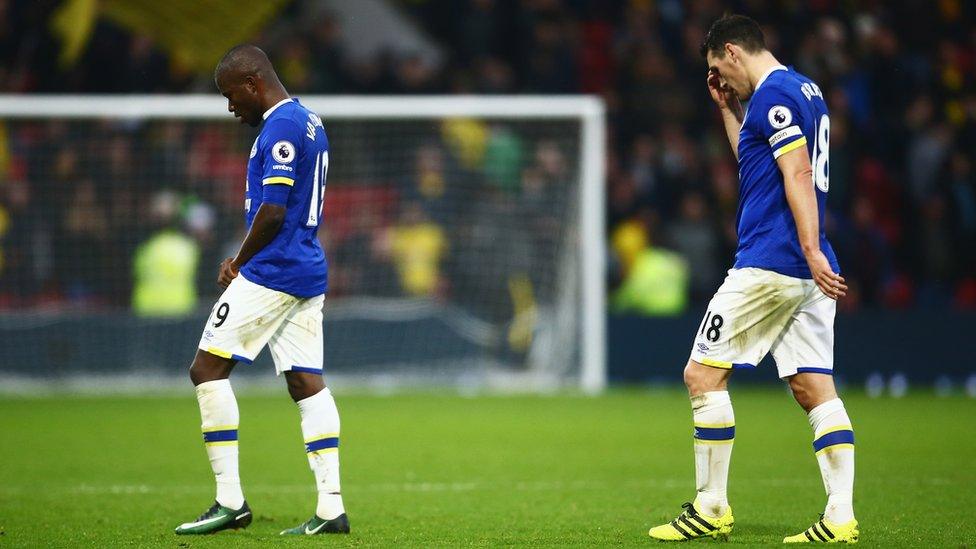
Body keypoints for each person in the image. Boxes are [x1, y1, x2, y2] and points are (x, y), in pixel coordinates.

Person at [647, 15, 857, 543]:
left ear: (734, 52)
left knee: (702, 376)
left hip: (772, 261)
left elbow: (798, 173)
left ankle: (711, 505)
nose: (721, 78)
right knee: (815, 388)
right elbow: (757, 160)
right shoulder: (803, 91)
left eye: (720, 68)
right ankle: (840, 518)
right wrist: (728, 110)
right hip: (804, 265)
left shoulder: (774, 94)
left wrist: (808, 249)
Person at [174, 45, 348, 536]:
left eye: (231, 96)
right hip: (307, 268)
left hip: (273, 270)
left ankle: (230, 500)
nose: (231, 108)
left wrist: (238, 261)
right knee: (305, 381)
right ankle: (332, 508)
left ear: (252, 83)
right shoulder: (309, 120)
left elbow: (272, 212)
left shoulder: (282, 128)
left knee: (206, 368)